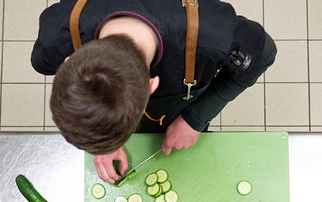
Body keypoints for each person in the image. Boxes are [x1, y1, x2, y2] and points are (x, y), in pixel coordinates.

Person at [31, 0, 277, 183]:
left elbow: (265, 56)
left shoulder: (212, 37)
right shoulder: (56, 38)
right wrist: (104, 140)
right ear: (66, 62)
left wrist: (195, 119)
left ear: (152, 85)